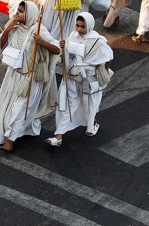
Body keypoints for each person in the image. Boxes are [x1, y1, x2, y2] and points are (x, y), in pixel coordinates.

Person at [0, 2, 61, 152]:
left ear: (29, 14)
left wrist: (42, 42)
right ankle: (11, 130)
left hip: (30, 79)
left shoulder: (39, 29)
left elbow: (56, 49)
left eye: (21, 11)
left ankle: (10, 140)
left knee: (19, 110)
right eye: (18, 10)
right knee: (8, 108)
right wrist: (7, 31)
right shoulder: (14, 27)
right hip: (13, 75)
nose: (17, 13)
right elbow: (2, 47)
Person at [46, 12, 113, 146]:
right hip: (72, 75)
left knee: (89, 103)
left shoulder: (98, 41)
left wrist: (102, 73)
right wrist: (63, 47)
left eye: (82, 26)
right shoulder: (73, 36)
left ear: (89, 25)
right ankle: (58, 135)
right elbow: (68, 55)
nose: (79, 29)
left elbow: (108, 56)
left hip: (89, 78)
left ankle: (92, 123)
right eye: (77, 25)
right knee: (66, 103)